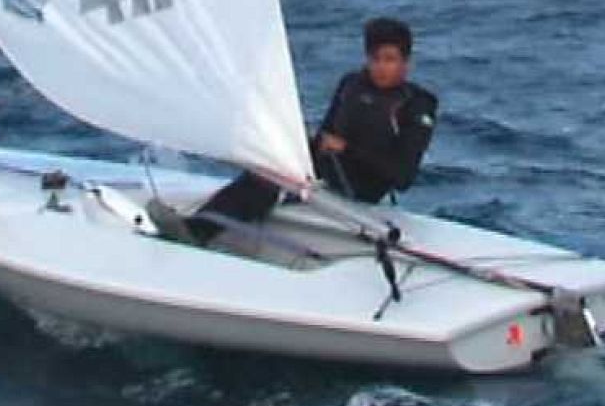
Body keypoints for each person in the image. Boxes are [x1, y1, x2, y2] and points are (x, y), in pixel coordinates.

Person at [184, 17, 439, 245]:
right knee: (269, 160)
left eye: (390, 60)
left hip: (364, 188)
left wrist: (349, 149)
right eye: (375, 59)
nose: (381, 68)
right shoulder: (352, 84)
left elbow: (403, 177)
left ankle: (199, 232)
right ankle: (212, 222)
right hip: (329, 171)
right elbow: (325, 137)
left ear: (406, 62)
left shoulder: (416, 105)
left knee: (273, 176)